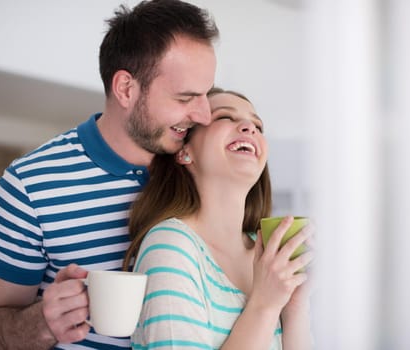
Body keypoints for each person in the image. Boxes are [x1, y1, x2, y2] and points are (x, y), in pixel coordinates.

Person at [0, 1, 219, 349]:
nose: (204, 115)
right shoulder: (29, 185)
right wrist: (41, 322)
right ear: (126, 89)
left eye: (206, 94)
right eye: (186, 97)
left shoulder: (201, 166)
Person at [123, 88, 314, 349]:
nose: (249, 127)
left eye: (257, 124)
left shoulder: (266, 256)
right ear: (184, 151)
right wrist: (265, 305)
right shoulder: (170, 246)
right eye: (225, 118)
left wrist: (294, 308)